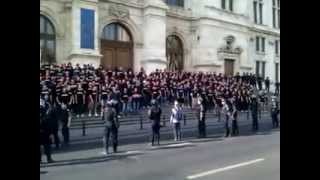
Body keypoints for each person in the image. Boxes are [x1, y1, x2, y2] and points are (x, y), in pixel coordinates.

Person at [40, 99, 54, 163]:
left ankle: (48, 158)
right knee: (47, 146)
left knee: (47, 145)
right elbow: (48, 121)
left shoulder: (45, 112)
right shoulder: (44, 111)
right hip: (45, 131)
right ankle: (48, 159)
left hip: (45, 131)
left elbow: (48, 121)